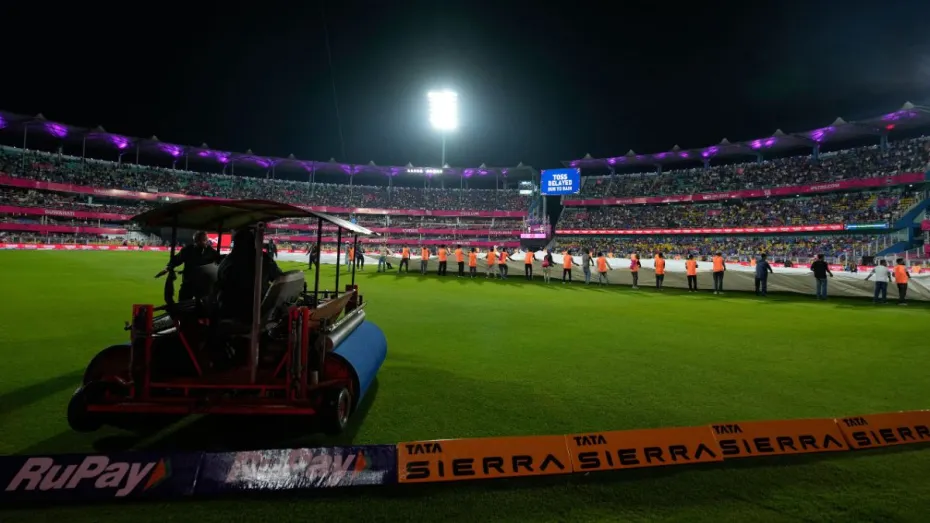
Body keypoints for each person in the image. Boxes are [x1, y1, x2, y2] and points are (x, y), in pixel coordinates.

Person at [215, 228, 283, 322]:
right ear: (253, 242)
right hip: (257, 310)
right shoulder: (263, 258)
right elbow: (279, 277)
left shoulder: (227, 260)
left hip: (229, 309)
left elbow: (219, 280)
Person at [155, 231, 220, 301]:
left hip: (204, 285)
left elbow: (219, 262)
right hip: (188, 282)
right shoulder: (188, 250)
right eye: (201, 240)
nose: (204, 242)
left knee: (203, 304)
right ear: (195, 241)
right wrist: (168, 268)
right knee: (183, 303)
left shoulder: (211, 251)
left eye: (205, 240)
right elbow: (176, 260)